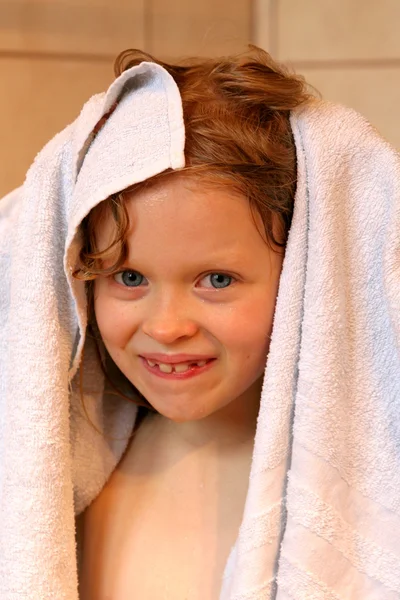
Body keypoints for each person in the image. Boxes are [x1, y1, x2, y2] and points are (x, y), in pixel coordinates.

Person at [1, 45, 399, 600]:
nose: (166, 327)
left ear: (310, 276)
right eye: (129, 277)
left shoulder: (359, 512)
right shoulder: (51, 496)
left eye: (216, 280)